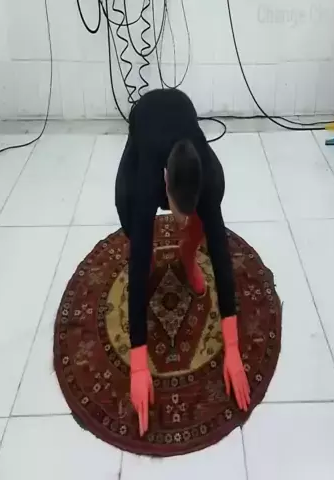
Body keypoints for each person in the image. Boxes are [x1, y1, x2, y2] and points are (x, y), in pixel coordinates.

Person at [114, 88, 250, 437]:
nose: (182, 220)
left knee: (205, 224)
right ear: (164, 185)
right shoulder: (147, 181)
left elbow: (221, 256)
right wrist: (139, 367)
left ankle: (186, 258)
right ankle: (153, 254)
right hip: (144, 126)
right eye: (178, 210)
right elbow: (139, 259)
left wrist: (232, 348)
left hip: (183, 116)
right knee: (131, 219)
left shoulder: (211, 178)